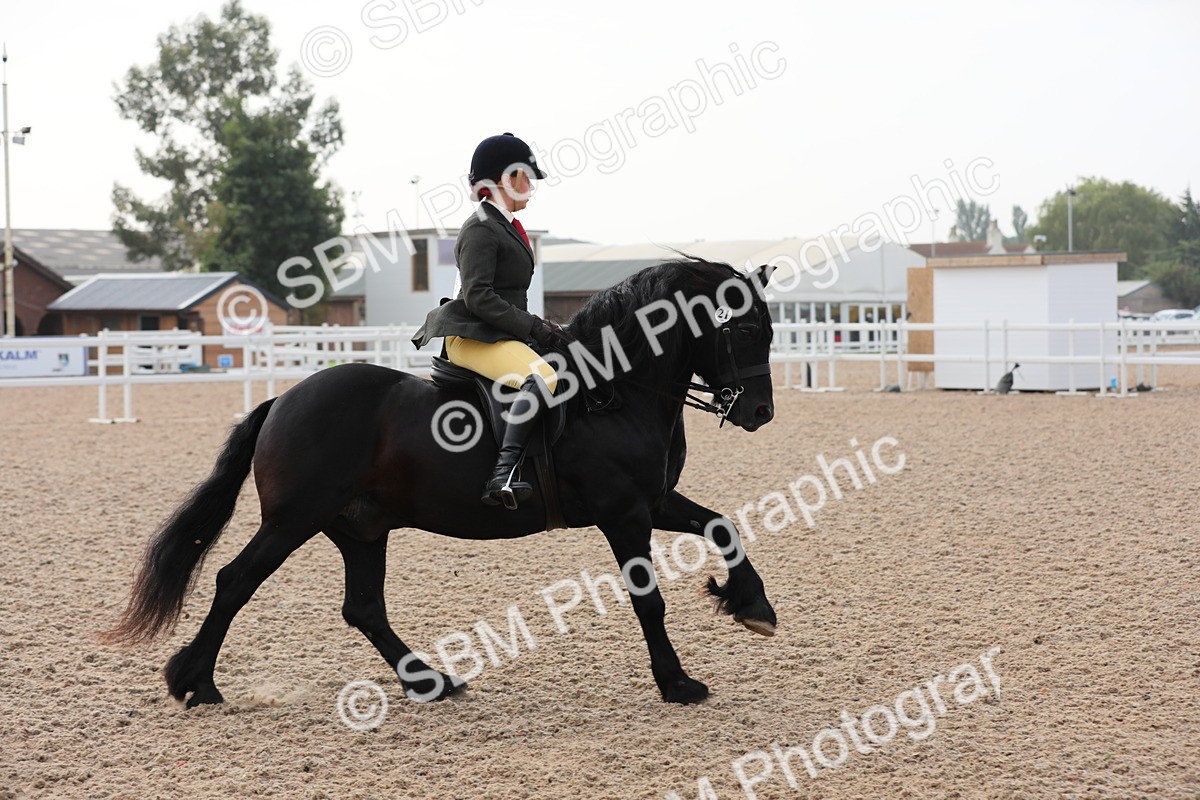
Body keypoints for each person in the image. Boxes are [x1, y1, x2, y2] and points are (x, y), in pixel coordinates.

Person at [412, 132, 567, 510]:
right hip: (472, 336)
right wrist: (533, 327)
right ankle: (503, 475)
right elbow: (479, 297)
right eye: (526, 177)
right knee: (544, 377)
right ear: (504, 179)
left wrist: (539, 331)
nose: (531, 186)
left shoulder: (507, 225)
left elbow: (510, 295)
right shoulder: (481, 227)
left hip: (496, 333)